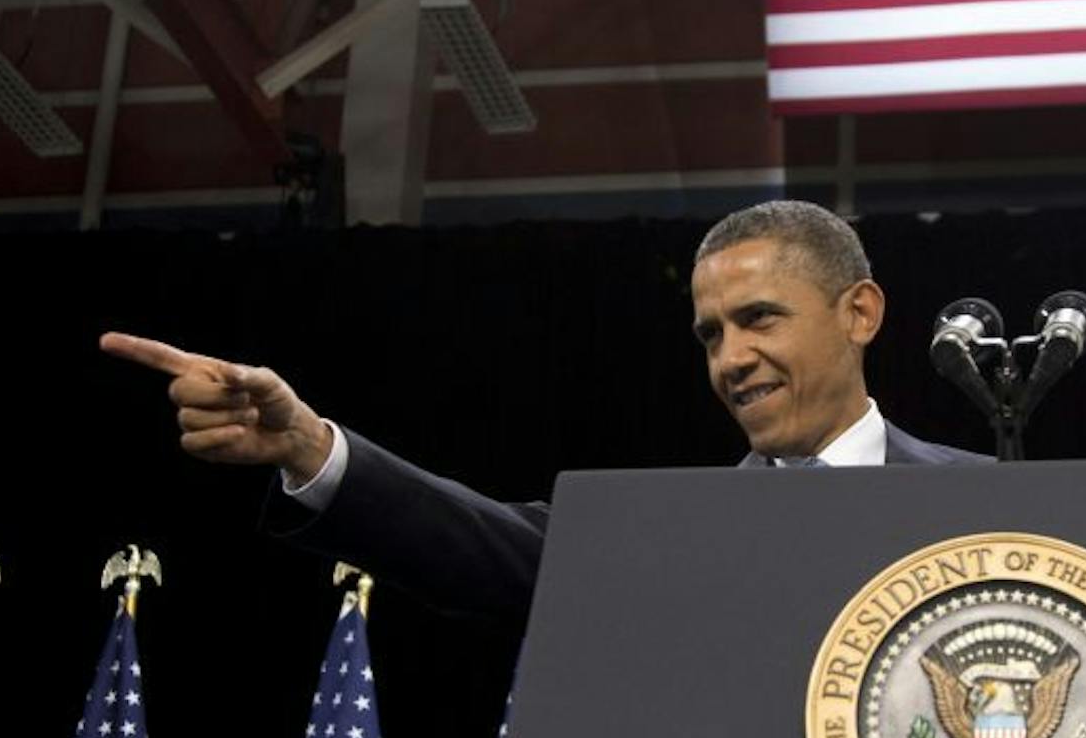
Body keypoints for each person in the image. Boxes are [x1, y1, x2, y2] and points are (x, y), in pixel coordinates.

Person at [101, 200, 984, 615]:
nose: (731, 359)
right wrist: (307, 447)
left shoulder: (992, 502)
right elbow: (484, 544)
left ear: (858, 313)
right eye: (711, 335)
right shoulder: (672, 536)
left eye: (759, 320)